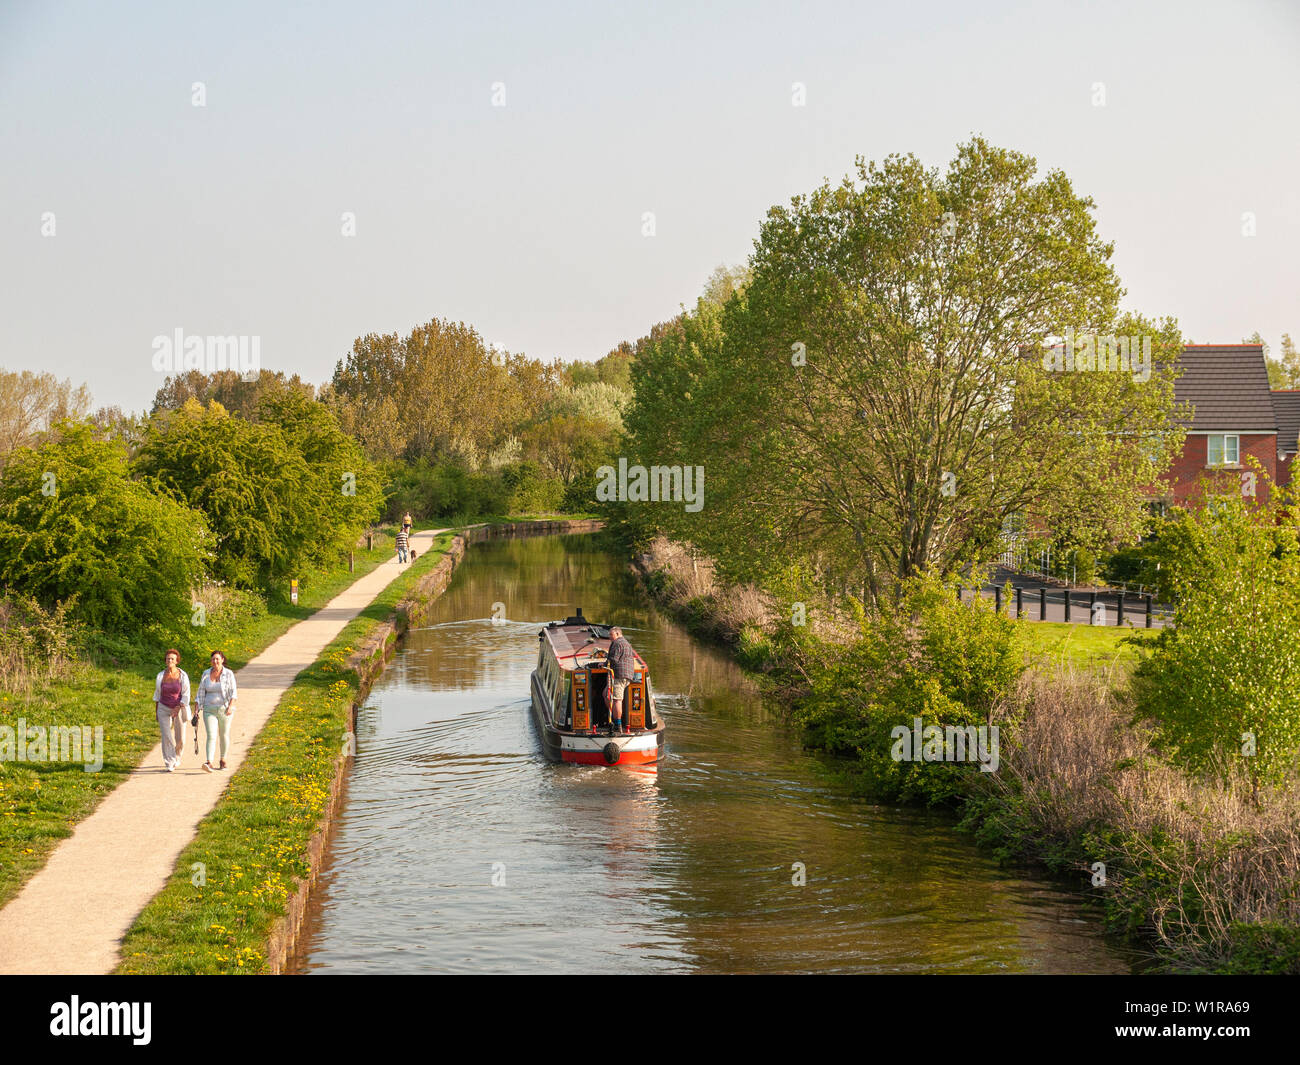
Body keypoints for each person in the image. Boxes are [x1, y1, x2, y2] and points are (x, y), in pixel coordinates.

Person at [196, 650, 238, 772]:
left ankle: (223, 759)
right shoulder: (205, 674)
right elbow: (200, 693)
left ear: (222, 660)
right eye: (213, 659)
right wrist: (196, 710)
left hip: (225, 709)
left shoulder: (228, 674)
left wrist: (230, 706)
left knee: (224, 734)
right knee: (211, 735)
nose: (215, 661)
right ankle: (209, 762)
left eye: (217, 659)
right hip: (209, 709)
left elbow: (233, 692)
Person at [153, 649, 191, 772]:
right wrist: (156, 711)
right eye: (168, 658)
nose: (170, 661)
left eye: (172, 659)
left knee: (180, 737)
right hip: (163, 707)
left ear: (177, 661)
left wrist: (178, 707)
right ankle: (169, 761)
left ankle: (177, 757)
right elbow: (157, 695)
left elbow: (186, 694)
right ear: (165, 660)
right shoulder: (160, 675)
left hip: (179, 707)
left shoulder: (182, 675)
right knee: (166, 735)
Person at [605, 626, 636, 735]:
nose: (609, 637)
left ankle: (618, 725)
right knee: (606, 694)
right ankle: (610, 718)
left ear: (617, 634)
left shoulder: (617, 643)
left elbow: (613, 659)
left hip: (619, 675)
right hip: (627, 674)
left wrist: (602, 664)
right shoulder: (627, 643)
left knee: (617, 699)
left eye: (611, 635)